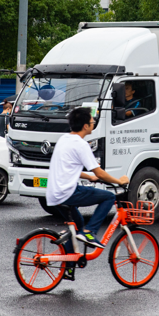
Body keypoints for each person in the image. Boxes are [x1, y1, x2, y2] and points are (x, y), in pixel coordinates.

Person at [45, 107, 128, 256]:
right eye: (92, 121)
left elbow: (68, 168)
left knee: (78, 225)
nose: (93, 123)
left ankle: (68, 262)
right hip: (68, 192)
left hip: (53, 194)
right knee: (109, 197)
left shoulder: (64, 139)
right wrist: (119, 181)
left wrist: (89, 177)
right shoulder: (81, 144)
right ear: (85, 126)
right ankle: (90, 232)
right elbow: (99, 172)